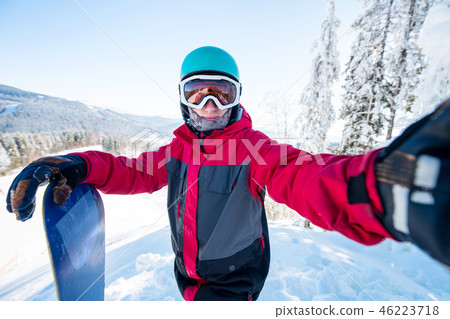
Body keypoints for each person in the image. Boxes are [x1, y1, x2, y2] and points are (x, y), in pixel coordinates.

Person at [6, 46, 450, 301]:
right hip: (190, 277)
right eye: (197, 94)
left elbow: (306, 175)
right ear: (182, 99)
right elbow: (128, 170)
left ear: (237, 98)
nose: (210, 107)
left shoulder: (255, 150)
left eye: (221, 94)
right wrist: (81, 165)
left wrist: (379, 187)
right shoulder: (175, 152)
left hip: (235, 280)